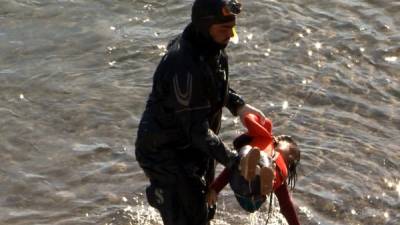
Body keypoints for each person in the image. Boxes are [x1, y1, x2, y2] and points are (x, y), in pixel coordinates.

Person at [135, 1, 266, 225]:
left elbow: (211, 87)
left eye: (232, 28)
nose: (230, 35)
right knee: (189, 219)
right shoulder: (182, 65)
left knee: (206, 207)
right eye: (223, 29)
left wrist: (239, 106)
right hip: (165, 152)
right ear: (205, 26)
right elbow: (196, 129)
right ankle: (164, 198)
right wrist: (233, 160)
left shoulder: (213, 49)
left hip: (195, 147)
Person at [207, 113, 301, 225]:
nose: (289, 158)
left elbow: (228, 172)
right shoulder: (265, 153)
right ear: (276, 141)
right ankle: (255, 173)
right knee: (250, 155)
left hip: (246, 189)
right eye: (290, 154)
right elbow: (286, 206)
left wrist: (214, 189)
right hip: (250, 192)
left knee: (246, 155)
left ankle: (256, 174)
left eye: (291, 161)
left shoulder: (277, 169)